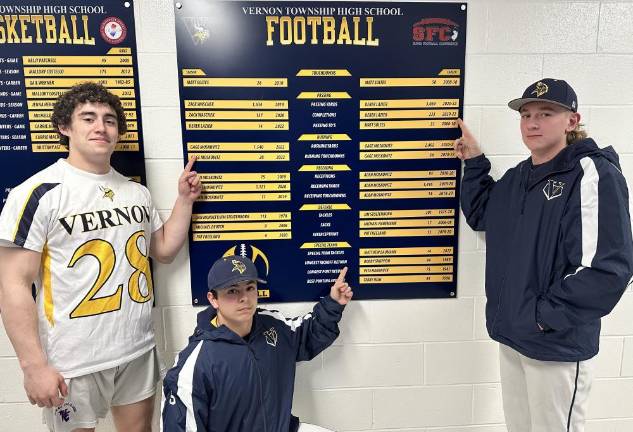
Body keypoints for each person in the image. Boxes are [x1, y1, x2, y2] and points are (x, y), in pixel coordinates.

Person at [0, 82, 201, 432]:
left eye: (109, 120)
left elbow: (165, 250)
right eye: (88, 118)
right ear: (65, 127)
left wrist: (184, 200)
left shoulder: (136, 192)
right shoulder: (37, 192)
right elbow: (12, 284)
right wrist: (33, 366)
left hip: (135, 349)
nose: (100, 127)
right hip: (73, 360)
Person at [455, 78, 633, 431]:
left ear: (572, 121)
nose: (532, 123)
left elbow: (607, 270)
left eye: (546, 113)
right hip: (513, 338)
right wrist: (474, 162)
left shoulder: (592, 175)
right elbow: (482, 213)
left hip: (555, 344)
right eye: (526, 115)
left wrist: (540, 317)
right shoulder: (520, 177)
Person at [161, 255, 352, 432]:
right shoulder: (196, 362)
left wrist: (334, 302)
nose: (244, 298)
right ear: (213, 299)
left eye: (250, 288)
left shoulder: (273, 325)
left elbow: (308, 334)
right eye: (232, 291)